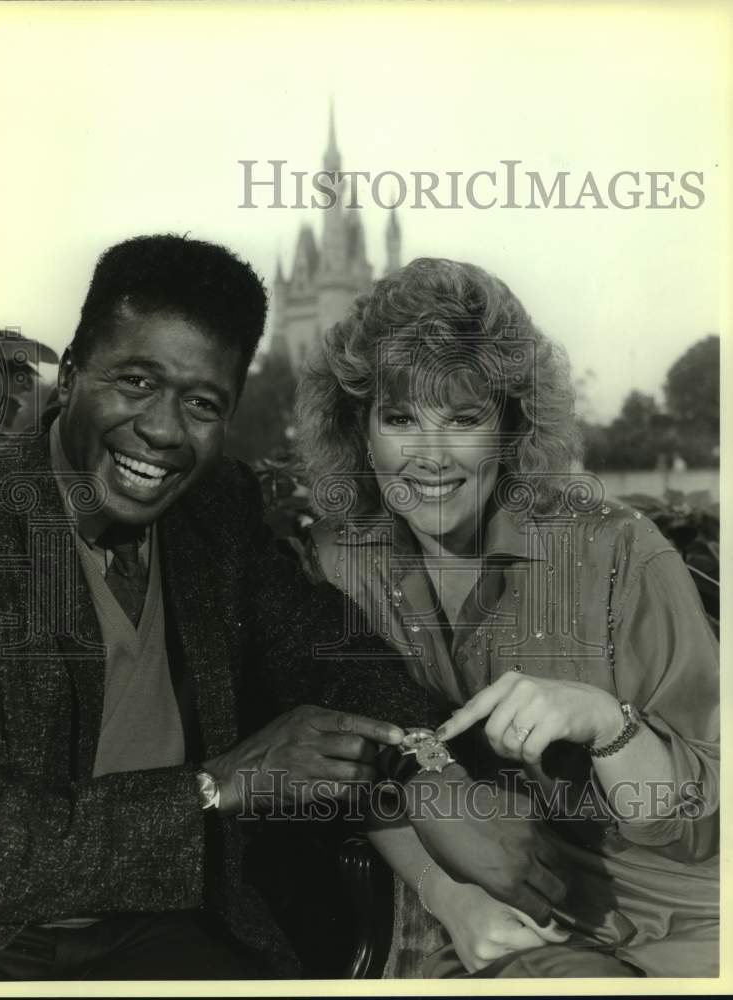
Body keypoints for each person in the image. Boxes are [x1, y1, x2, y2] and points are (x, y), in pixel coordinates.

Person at [0, 234, 445, 982]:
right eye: (134, 381)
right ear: (67, 376)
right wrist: (217, 783)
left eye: (200, 403)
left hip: (171, 919)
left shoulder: (213, 506)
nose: (161, 430)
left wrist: (440, 776)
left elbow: (333, 657)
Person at [295, 257, 719, 978]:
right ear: (359, 431)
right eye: (400, 418)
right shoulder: (335, 565)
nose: (430, 456)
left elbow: (707, 817)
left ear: (513, 427)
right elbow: (346, 770)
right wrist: (447, 895)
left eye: (463, 419)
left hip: (686, 925)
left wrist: (603, 722)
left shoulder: (617, 551)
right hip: (495, 932)